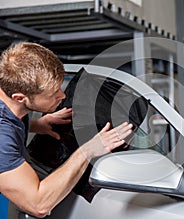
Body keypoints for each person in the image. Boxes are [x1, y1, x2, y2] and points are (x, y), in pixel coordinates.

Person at [0, 42, 133, 218]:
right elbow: (38, 205)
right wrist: (88, 150)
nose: (62, 96)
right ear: (20, 97)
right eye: (53, 93)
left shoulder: (9, 94)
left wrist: (37, 125)